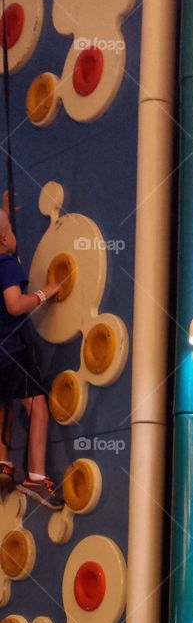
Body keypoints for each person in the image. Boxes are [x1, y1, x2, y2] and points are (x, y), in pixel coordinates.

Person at [0, 192, 63, 508]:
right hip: (13, 351)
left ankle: (3, 463)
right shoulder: (6, 263)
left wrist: (4, 210)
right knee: (38, 406)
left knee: (3, 405)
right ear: (4, 239)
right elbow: (14, 304)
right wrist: (44, 292)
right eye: (10, 230)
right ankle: (36, 476)